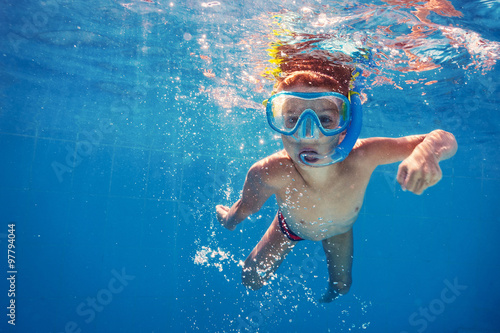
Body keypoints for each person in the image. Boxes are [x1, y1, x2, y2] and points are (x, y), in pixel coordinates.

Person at [215, 50, 457, 303]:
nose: (308, 134)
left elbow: (443, 137)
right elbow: (246, 207)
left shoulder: (363, 155)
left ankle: (329, 296)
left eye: (325, 120)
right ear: (279, 124)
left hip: (340, 230)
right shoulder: (270, 171)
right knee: (250, 280)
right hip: (290, 228)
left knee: (342, 287)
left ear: (347, 126)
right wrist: (231, 220)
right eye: (293, 119)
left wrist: (428, 152)